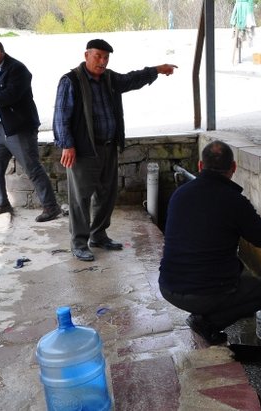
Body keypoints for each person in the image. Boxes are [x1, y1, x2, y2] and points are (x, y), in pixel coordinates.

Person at [159, 140, 261, 345]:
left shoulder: (180, 194)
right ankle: (207, 323)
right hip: (202, 293)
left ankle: (204, 311)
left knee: (231, 271)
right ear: (234, 168)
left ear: (200, 166)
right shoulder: (234, 202)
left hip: (168, 287)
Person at [52, 39, 177, 262]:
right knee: (80, 199)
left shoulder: (109, 79)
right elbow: (61, 116)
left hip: (108, 147)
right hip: (83, 151)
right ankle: (79, 243)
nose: (102, 62)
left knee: (107, 195)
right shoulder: (71, 81)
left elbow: (132, 79)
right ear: (86, 55)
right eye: (98, 56)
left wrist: (157, 70)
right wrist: (67, 145)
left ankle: (98, 235)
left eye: (106, 58)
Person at [0, 38, 62, 222]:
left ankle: (51, 207)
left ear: (2, 51)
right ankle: (1, 203)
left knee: (32, 168)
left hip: (19, 128)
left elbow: (10, 96)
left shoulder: (18, 69)